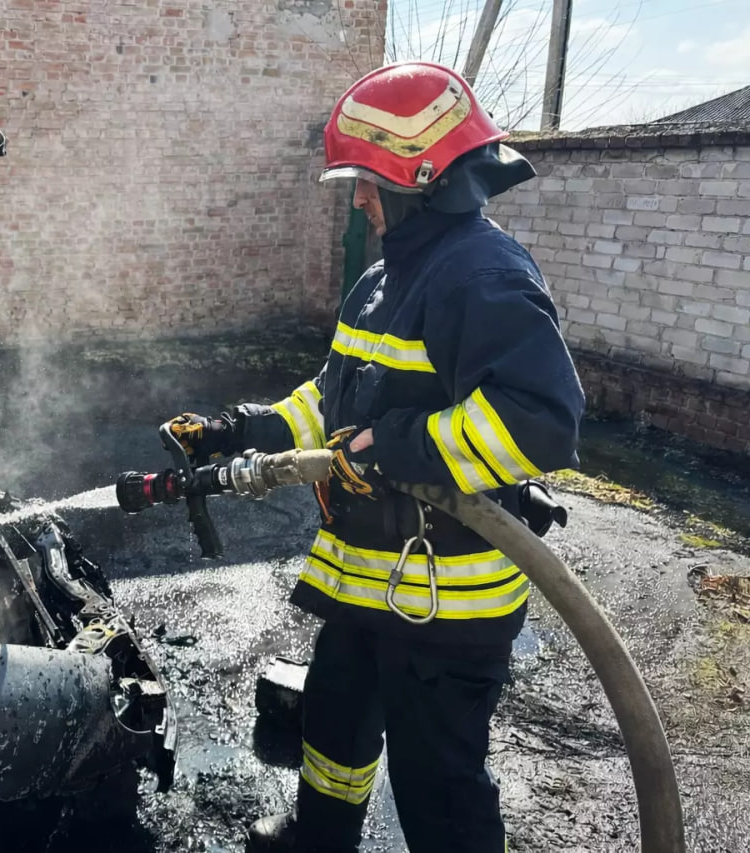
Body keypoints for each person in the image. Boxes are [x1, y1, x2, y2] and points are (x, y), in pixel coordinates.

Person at [165, 61, 585, 852]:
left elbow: (542, 420)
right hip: (368, 575)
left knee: (438, 782)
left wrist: (398, 447)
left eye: (367, 180)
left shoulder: (482, 275)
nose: (358, 197)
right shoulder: (381, 280)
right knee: (335, 723)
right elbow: (332, 401)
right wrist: (238, 428)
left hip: (447, 596)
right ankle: (320, 839)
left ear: (419, 176)